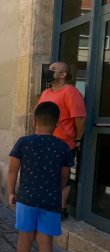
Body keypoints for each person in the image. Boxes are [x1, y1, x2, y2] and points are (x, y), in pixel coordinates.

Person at [8, 102, 74, 252]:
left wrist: (11, 192)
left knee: (25, 238)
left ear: (34, 121)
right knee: (46, 242)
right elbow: (65, 176)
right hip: (51, 201)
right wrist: (55, 191)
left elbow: (12, 170)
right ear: (57, 123)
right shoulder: (63, 147)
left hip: (26, 199)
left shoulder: (23, 143)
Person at [38, 61, 86, 219]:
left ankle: (61, 209)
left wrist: (78, 139)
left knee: (62, 177)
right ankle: (46, 204)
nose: (48, 71)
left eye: (53, 69)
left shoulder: (70, 92)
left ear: (63, 74)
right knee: (46, 175)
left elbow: (79, 119)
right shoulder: (46, 93)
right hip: (44, 142)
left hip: (63, 144)